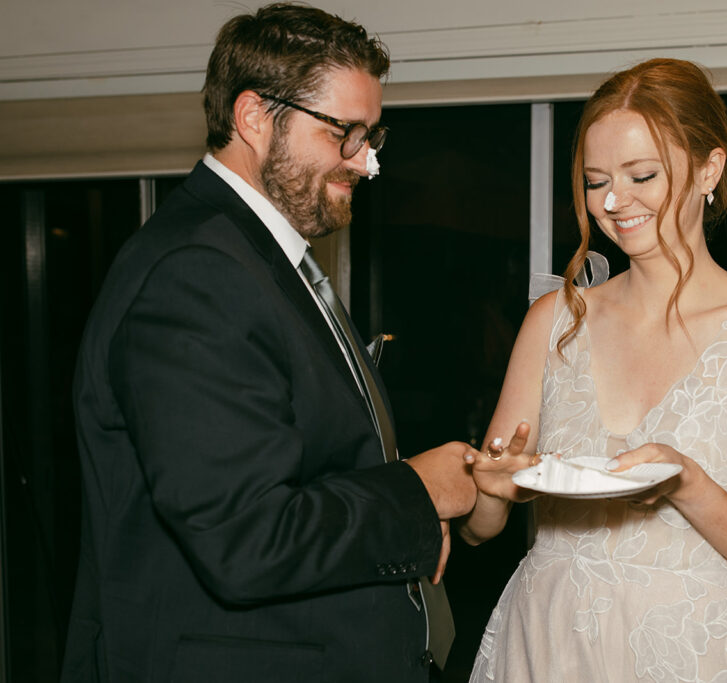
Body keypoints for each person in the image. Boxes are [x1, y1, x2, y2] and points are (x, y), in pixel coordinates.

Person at [61, 4, 477, 682]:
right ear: (255, 117)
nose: (366, 162)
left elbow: (310, 469)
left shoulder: (260, 258)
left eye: (373, 136)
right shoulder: (196, 273)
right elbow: (246, 537)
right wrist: (414, 494)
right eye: (344, 132)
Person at [461, 58, 727, 682]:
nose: (614, 202)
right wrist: (492, 494)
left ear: (708, 169)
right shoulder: (554, 321)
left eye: (642, 175)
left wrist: (688, 484)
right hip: (548, 644)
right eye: (595, 180)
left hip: (697, 653)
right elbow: (481, 529)